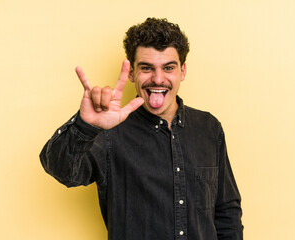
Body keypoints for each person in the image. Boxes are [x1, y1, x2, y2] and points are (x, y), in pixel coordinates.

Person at [40, 17, 243, 240]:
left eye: (168, 68)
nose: (158, 79)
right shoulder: (109, 132)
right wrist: (86, 126)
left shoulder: (209, 128)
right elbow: (62, 170)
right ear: (131, 73)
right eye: (146, 68)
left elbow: (226, 212)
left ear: (182, 71)